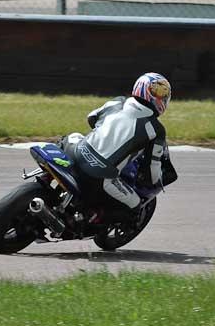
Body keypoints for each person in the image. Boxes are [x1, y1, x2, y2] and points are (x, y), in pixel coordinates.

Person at [62, 72, 171, 224]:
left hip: (76, 152)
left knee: (73, 135)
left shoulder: (117, 102)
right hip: (100, 176)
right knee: (135, 207)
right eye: (157, 90)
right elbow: (151, 171)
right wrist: (157, 180)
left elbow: (92, 118)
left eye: (163, 92)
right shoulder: (156, 129)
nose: (160, 96)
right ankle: (89, 219)